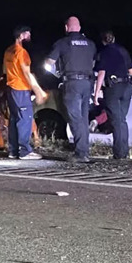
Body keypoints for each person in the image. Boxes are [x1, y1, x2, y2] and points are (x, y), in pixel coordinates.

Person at [45, 16, 97, 162]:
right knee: (84, 118)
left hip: (72, 83)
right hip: (87, 83)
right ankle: (85, 151)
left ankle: (81, 153)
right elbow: (93, 63)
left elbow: (49, 63)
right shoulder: (90, 44)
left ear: (66, 28)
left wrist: (56, 74)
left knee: (75, 117)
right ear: (79, 28)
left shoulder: (62, 43)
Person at [3, 25, 48, 160]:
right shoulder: (21, 52)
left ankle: (13, 150)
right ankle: (25, 151)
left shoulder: (8, 51)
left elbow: (5, 71)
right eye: (27, 33)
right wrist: (38, 91)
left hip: (11, 88)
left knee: (14, 119)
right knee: (25, 119)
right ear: (22, 35)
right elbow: (27, 74)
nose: (29, 35)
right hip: (21, 89)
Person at [93, 30, 132, 160]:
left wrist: (96, 93)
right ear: (114, 38)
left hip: (113, 88)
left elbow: (101, 73)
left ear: (103, 41)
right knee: (122, 120)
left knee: (117, 121)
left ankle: (119, 154)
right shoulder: (123, 51)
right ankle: (125, 152)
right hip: (126, 87)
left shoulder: (104, 53)